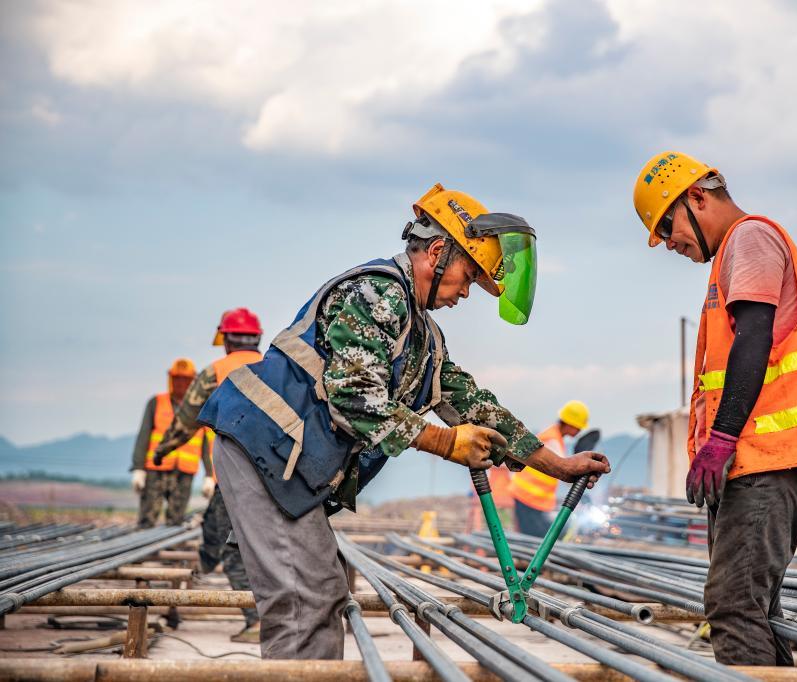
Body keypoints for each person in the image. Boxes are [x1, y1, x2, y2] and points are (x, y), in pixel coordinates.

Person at [198, 183, 611, 660]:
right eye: (467, 277)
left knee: (322, 592)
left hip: (282, 459)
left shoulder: (422, 334)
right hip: (262, 446)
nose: (465, 293)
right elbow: (354, 398)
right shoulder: (378, 294)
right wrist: (441, 441)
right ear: (437, 253)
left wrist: (556, 466)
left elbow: (472, 403)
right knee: (303, 600)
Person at [632, 152, 797, 666]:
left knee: (732, 607)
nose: (670, 244)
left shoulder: (749, 239)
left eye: (669, 227)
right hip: (755, 462)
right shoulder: (735, 250)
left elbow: (755, 335)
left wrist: (723, 437)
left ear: (697, 198)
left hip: (766, 459)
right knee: (753, 610)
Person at [152, 308, 263, 643]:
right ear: (257, 338)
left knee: (232, 549)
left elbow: (186, 421)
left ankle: (258, 620)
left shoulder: (216, 372)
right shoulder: (276, 368)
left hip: (234, 477)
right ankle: (187, 590)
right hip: (276, 479)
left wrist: (161, 451)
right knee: (228, 541)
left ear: (226, 339)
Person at [130, 358, 209, 527]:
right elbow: (143, 435)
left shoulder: (200, 407)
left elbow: (206, 443)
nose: (181, 383)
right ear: (171, 379)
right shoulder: (157, 403)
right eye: (177, 378)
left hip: (184, 472)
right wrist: (138, 468)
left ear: (192, 381)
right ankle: (146, 550)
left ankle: (173, 551)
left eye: (185, 379)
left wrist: (210, 475)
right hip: (156, 470)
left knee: (176, 521)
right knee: (147, 519)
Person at [509, 400, 589, 536]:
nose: (579, 431)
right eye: (578, 427)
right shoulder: (553, 442)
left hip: (528, 496)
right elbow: (565, 471)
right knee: (536, 538)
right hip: (530, 497)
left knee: (529, 537)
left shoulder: (553, 435)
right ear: (570, 424)